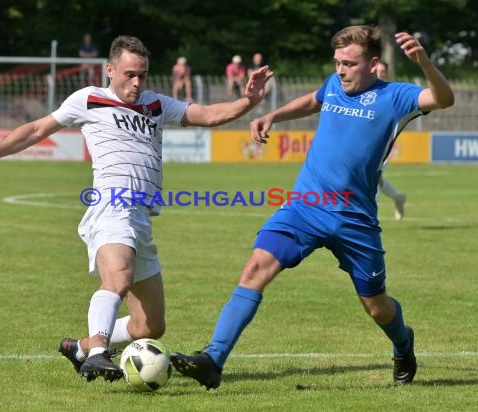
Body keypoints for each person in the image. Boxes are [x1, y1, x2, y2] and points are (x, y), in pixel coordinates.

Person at [0, 35, 273, 383]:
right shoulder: (89, 99)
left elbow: (209, 114)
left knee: (150, 326)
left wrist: (248, 101)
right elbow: (36, 129)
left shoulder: (155, 104)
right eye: (129, 74)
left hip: (141, 217)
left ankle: (79, 349)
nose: (137, 82)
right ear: (110, 70)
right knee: (118, 276)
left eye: (143, 74)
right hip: (111, 205)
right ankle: (97, 354)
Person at [170, 26, 454, 389]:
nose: (341, 70)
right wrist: (273, 116)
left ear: (373, 64)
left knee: (376, 306)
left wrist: (424, 62)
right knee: (256, 267)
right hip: (306, 206)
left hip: (355, 219)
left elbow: (444, 99)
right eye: (337, 62)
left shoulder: (396, 97)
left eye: (349, 64)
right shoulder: (334, 84)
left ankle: (403, 343)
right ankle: (213, 359)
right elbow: (314, 100)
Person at [376, 60, 407, 220]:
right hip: (364, 143)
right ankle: (398, 197)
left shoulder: (391, 93)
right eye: (377, 71)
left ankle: (367, 221)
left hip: (381, 144)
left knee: (371, 178)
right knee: (378, 181)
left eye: (382, 72)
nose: (379, 74)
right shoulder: (364, 90)